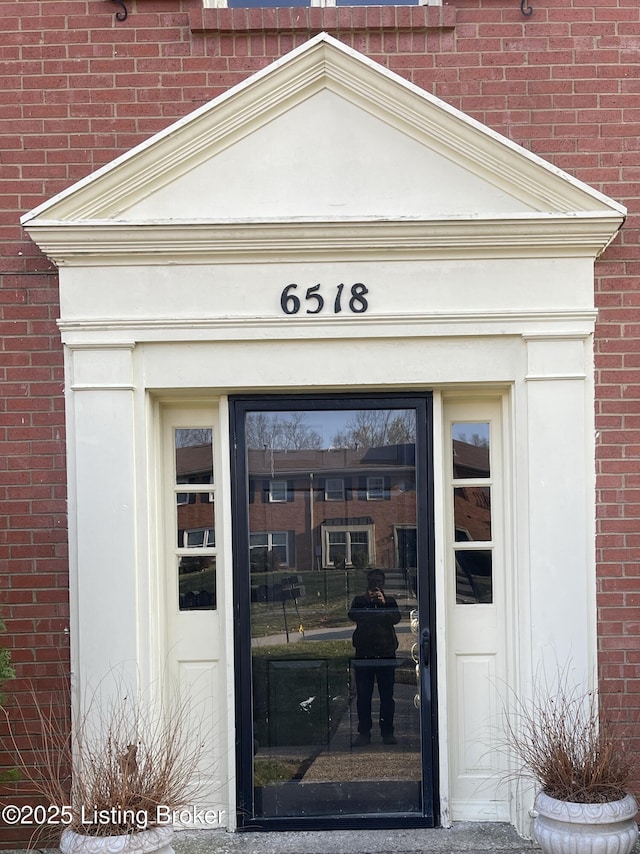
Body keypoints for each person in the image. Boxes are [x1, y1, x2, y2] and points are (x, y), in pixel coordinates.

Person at [348, 569, 401, 746]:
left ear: (383, 584)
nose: (375, 585)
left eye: (378, 582)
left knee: (387, 697)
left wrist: (384, 603)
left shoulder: (390, 602)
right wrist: (367, 602)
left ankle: (387, 732)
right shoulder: (359, 601)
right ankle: (364, 733)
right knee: (363, 697)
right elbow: (353, 616)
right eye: (372, 582)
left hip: (386, 654)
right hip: (364, 655)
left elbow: (395, 618)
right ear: (367, 583)